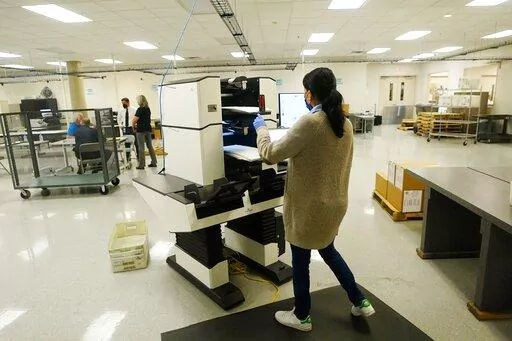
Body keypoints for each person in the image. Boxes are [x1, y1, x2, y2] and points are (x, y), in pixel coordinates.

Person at [253, 67, 375, 332]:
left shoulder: (310, 123)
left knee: (300, 261)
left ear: (309, 93)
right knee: (329, 251)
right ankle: (360, 300)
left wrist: (261, 129)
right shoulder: (345, 122)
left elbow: (271, 154)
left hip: (309, 209)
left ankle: (302, 316)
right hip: (334, 205)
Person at [132, 95, 157, 170]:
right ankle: (154, 162)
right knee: (150, 146)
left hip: (141, 130)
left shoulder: (140, 109)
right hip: (148, 129)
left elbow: (134, 120)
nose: (137, 102)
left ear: (140, 101)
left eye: (137, 100)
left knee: (141, 147)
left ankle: (141, 165)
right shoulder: (148, 109)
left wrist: (133, 126)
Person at [119, 97, 138, 162]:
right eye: (122, 103)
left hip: (132, 128)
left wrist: (135, 126)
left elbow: (137, 119)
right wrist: (121, 126)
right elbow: (119, 119)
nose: (123, 105)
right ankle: (127, 158)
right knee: (126, 143)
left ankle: (138, 156)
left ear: (128, 102)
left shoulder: (134, 109)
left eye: (124, 103)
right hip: (125, 128)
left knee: (136, 143)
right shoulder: (121, 110)